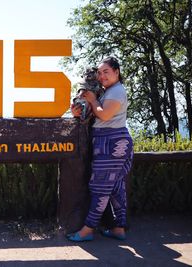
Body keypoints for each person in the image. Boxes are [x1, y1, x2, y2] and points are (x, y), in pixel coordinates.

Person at [68, 57, 133, 242]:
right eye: (99, 72)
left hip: (112, 144)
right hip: (112, 142)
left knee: (100, 188)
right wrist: (78, 111)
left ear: (117, 72)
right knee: (116, 188)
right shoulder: (109, 91)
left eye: (106, 71)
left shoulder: (117, 91)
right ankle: (118, 228)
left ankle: (87, 230)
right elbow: (94, 113)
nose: (101, 75)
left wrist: (94, 99)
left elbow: (104, 115)